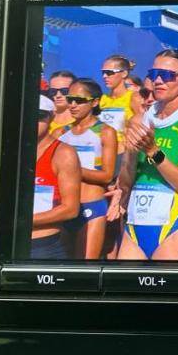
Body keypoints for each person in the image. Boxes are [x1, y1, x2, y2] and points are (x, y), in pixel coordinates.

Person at [117, 49, 178, 260]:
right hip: (136, 224)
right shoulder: (138, 121)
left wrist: (153, 150)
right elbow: (125, 183)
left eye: (167, 75)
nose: (158, 80)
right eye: (154, 74)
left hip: (173, 226)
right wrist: (131, 155)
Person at [52, 79, 118, 259]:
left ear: (94, 102)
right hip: (63, 208)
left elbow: (107, 176)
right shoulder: (60, 133)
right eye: (70, 99)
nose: (72, 104)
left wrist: (72, 170)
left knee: (85, 266)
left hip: (91, 207)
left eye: (79, 100)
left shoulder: (105, 132)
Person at [32, 95, 81, 258]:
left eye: (39, 116)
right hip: (8, 241)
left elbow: (71, 209)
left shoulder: (63, 153)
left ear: (51, 117)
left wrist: (23, 221)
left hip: (44, 245)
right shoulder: (10, 149)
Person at [99, 55, 144, 153]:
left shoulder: (134, 97)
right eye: (103, 72)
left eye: (109, 72)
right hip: (102, 153)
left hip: (123, 154)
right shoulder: (102, 99)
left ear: (124, 73)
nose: (104, 76)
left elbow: (143, 128)